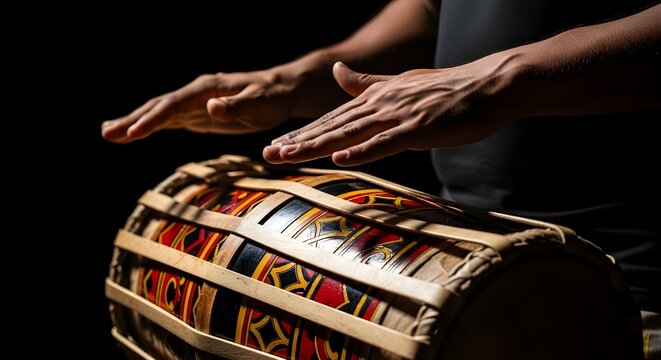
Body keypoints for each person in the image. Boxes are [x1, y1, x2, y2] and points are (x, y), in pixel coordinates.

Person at [102, 0, 660, 357]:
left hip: (629, 300)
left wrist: (501, 78)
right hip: (450, 274)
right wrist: (294, 80)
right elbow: (433, 12)